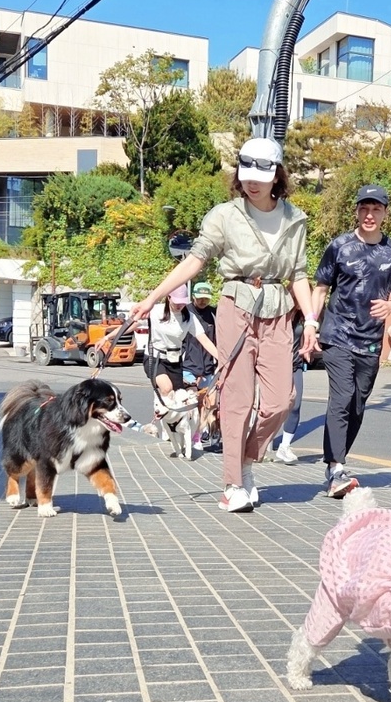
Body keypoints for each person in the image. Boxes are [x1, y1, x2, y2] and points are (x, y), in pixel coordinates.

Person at [130, 136, 318, 513]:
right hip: (235, 306)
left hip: (279, 311)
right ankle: (234, 483)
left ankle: (248, 458)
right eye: (245, 173)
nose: (252, 182)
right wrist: (152, 297)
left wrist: (311, 319)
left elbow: (298, 274)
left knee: (283, 401)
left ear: (277, 175)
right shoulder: (224, 215)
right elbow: (194, 261)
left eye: (261, 175)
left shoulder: (295, 219)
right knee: (237, 400)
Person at [311, 184, 391, 499]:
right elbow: (321, 287)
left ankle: (334, 465)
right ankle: (336, 467)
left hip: (370, 340)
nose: (369, 215)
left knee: (357, 404)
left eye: (376, 209)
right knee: (342, 397)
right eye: (364, 209)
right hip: (337, 333)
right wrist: (312, 325)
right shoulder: (339, 246)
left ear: (384, 213)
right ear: (356, 211)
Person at [145, 285, 218, 407]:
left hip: (175, 360)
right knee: (167, 388)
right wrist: (108, 337)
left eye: (182, 302)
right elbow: (133, 322)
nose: (180, 305)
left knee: (182, 397)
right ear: (169, 298)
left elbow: (205, 341)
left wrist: (223, 360)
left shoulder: (190, 317)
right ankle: (160, 410)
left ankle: (176, 423)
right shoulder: (156, 311)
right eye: (177, 302)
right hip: (156, 357)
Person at [184, 281, 219, 449]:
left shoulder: (214, 314)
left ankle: (198, 434)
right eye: (200, 298)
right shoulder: (186, 312)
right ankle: (189, 435)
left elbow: (217, 340)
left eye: (206, 298)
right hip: (189, 366)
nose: (203, 302)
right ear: (193, 297)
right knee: (192, 404)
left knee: (210, 403)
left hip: (209, 367)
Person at [269, 309, 307, 465]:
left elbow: (302, 337)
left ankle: (284, 446)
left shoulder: (301, 317)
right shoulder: (279, 313)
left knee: (295, 405)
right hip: (276, 365)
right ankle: (261, 444)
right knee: (274, 406)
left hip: (295, 365)